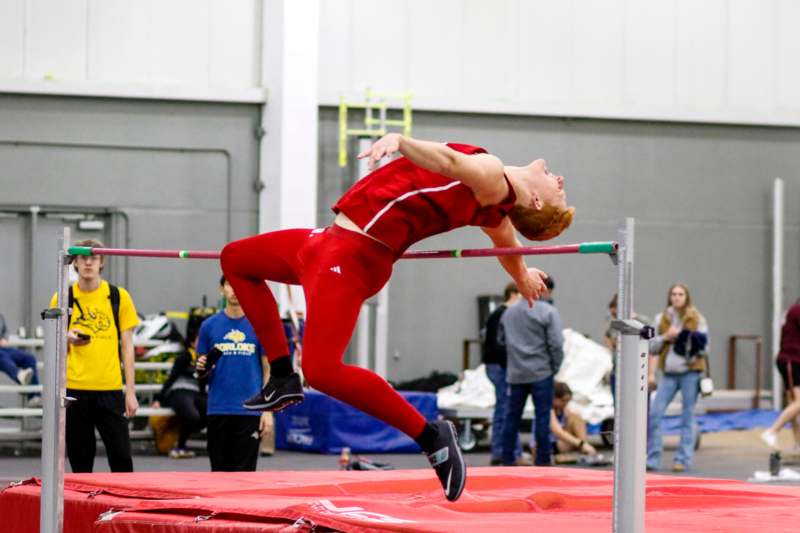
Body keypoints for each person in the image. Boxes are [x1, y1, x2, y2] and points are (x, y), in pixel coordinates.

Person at [220, 133, 574, 500]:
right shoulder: (494, 208)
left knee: (322, 370)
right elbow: (506, 243)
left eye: (557, 190)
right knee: (235, 259)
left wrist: (400, 141)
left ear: (534, 200)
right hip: (326, 242)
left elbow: (449, 163)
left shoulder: (490, 175)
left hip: (352, 256)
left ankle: (430, 436)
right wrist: (522, 275)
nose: (560, 180)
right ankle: (281, 374)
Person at [50, 239, 139, 473]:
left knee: (122, 459)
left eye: (94, 258)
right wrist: (67, 337)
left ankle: (124, 508)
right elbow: (52, 342)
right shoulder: (62, 298)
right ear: (75, 263)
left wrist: (130, 391)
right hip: (75, 390)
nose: (88, 262)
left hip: (109, 389)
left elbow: (127, 347)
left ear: (102, 262)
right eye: (82, 258)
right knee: (80, 461)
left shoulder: (119, 296)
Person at [195, 276, 272, 472]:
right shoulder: (209, 326)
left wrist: (268, 410)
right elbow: (201, 371)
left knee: (245, 477)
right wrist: (202, 368)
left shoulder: (260, 325)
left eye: (241, 285)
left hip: (250, 410)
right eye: (230, 284)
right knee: (219, 476)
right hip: (218, 409)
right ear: (222, 289)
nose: (235, 290)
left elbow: (268, 370)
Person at [500, 275, 563, 466]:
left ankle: (507, 459)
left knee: (511, 417)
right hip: (541, 372)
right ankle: (542, 461)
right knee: (542, 417)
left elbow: (501, 341)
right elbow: (556, 344)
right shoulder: (548, 312)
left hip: (516, 374)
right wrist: (555, 367)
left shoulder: (507, 313)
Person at [646, 283, 709, 472]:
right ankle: (653, 458)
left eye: (680, 294)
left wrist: (685, 339)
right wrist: (666, 337)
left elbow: (706, 348)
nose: (677, 297)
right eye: (673, 294)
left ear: (686, 297)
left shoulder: (697, 318)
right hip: (669, 374)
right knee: (655, 414)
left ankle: (683, 458)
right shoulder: (662, 318)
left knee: (687, 417)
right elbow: (652, 347)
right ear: (669, 297)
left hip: (691, 372)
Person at [152, 308, 212, 459]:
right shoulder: (185, 356)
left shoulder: (206, 358)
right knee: (192, 415)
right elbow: (171, 378)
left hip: (196, 393)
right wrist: (159, 399)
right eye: (199, 339)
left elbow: (204, 381)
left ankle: (182, 440)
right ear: (193, 340)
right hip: (179, 391)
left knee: (211, 412)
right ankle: (180, 446)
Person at [481, 283, 526, 466]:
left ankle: (502, 451)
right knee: (505, 409)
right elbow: (495, 344)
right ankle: (506, 452)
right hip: (499, 366)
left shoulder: (502, 314)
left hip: (499, 365)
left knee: (504, 408)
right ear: (514, 294)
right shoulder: (502, 315)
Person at [760, 299, 800, 450]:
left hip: (790, 360)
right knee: (798, 403)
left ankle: (798, 443)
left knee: (794, 405)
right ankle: (772, 431)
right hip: (791, 361)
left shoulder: (793, 310)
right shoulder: (796, 311)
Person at [0, 313, 42, 406]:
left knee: (28, 358)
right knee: (1, 356)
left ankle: (34, 397)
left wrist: (4, 339)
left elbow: (4, 331)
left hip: (3, 348)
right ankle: (19, 375)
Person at [549, 381, 596, 456]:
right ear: (554, 398)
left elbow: (575, 420)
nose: (566, 404)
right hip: (549, 445)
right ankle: (584, 446)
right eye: (564, 401)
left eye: (568, 401)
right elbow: (558, 432)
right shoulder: (547, 409)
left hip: (559, 442)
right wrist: (581, 444)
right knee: (574, 419)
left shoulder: (561, 407)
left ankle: (585, 448)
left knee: (576, 417)